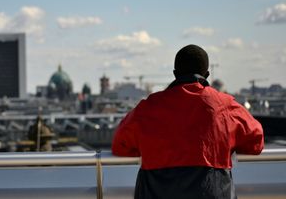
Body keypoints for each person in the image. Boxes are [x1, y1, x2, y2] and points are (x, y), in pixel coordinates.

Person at [112, 44, 264, 199]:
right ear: (207, 74)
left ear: (175, 74)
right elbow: (256, 143)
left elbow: (120, 145)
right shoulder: (226, 106)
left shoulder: (149, 106)